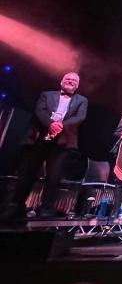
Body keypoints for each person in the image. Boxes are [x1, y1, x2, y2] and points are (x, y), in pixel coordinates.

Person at [3, 72, 88, 220]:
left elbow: (80, 117)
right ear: (61, 82)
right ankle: (16, 205)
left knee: (54, 177)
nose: (70, 81)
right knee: (27, 173)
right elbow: (39, 111)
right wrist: (50, 124)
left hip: (62, 142)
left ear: (77, 85)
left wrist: (60, 125)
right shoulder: (46, 95)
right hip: (39, 138)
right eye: (67, 79)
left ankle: (46, 208)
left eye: (74, 80)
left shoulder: (82, 100)